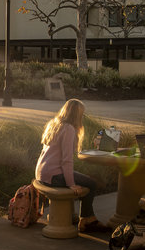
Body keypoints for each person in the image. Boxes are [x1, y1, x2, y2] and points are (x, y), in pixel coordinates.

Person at [35, 99, 110, 233]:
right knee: (92, 184)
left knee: (86, 181)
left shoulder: (54, 124)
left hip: (42, 173)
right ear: (77, 115)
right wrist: (71, 184)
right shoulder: (69, 129)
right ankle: (87, 220)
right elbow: (67, 161)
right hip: (54, 176)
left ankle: (86, 217)